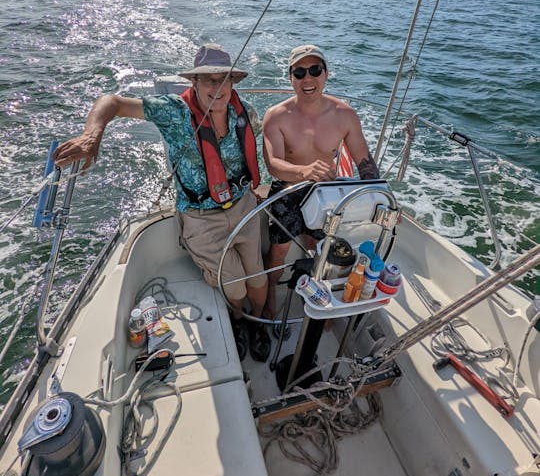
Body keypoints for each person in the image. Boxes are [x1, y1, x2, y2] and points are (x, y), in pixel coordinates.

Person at [52, 43, 271, 362]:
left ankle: (257, 325)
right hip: (201, 217)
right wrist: (92, 135)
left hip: (243, 207)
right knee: (235, 286)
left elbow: (260, 151)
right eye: (209, 79)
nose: (218, 87)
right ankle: (238, 320)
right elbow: (111, 102)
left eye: (224, 79)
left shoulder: (245, 112)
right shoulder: (174, 112)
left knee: (259, 277)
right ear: (193, 82)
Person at [262, 44, 380, 315]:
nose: (308, 79)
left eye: (315, 70)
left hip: (325, 193)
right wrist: (303, 172)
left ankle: (318, 297)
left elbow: (364, 162)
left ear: (326, 74)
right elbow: (274, 165)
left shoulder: (345, 115)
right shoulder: (276, 116)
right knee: (279, 251)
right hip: (287, 191)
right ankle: (270, 296)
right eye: (300, 72)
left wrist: (378, 199)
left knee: (320, 250)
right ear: (290, 78)